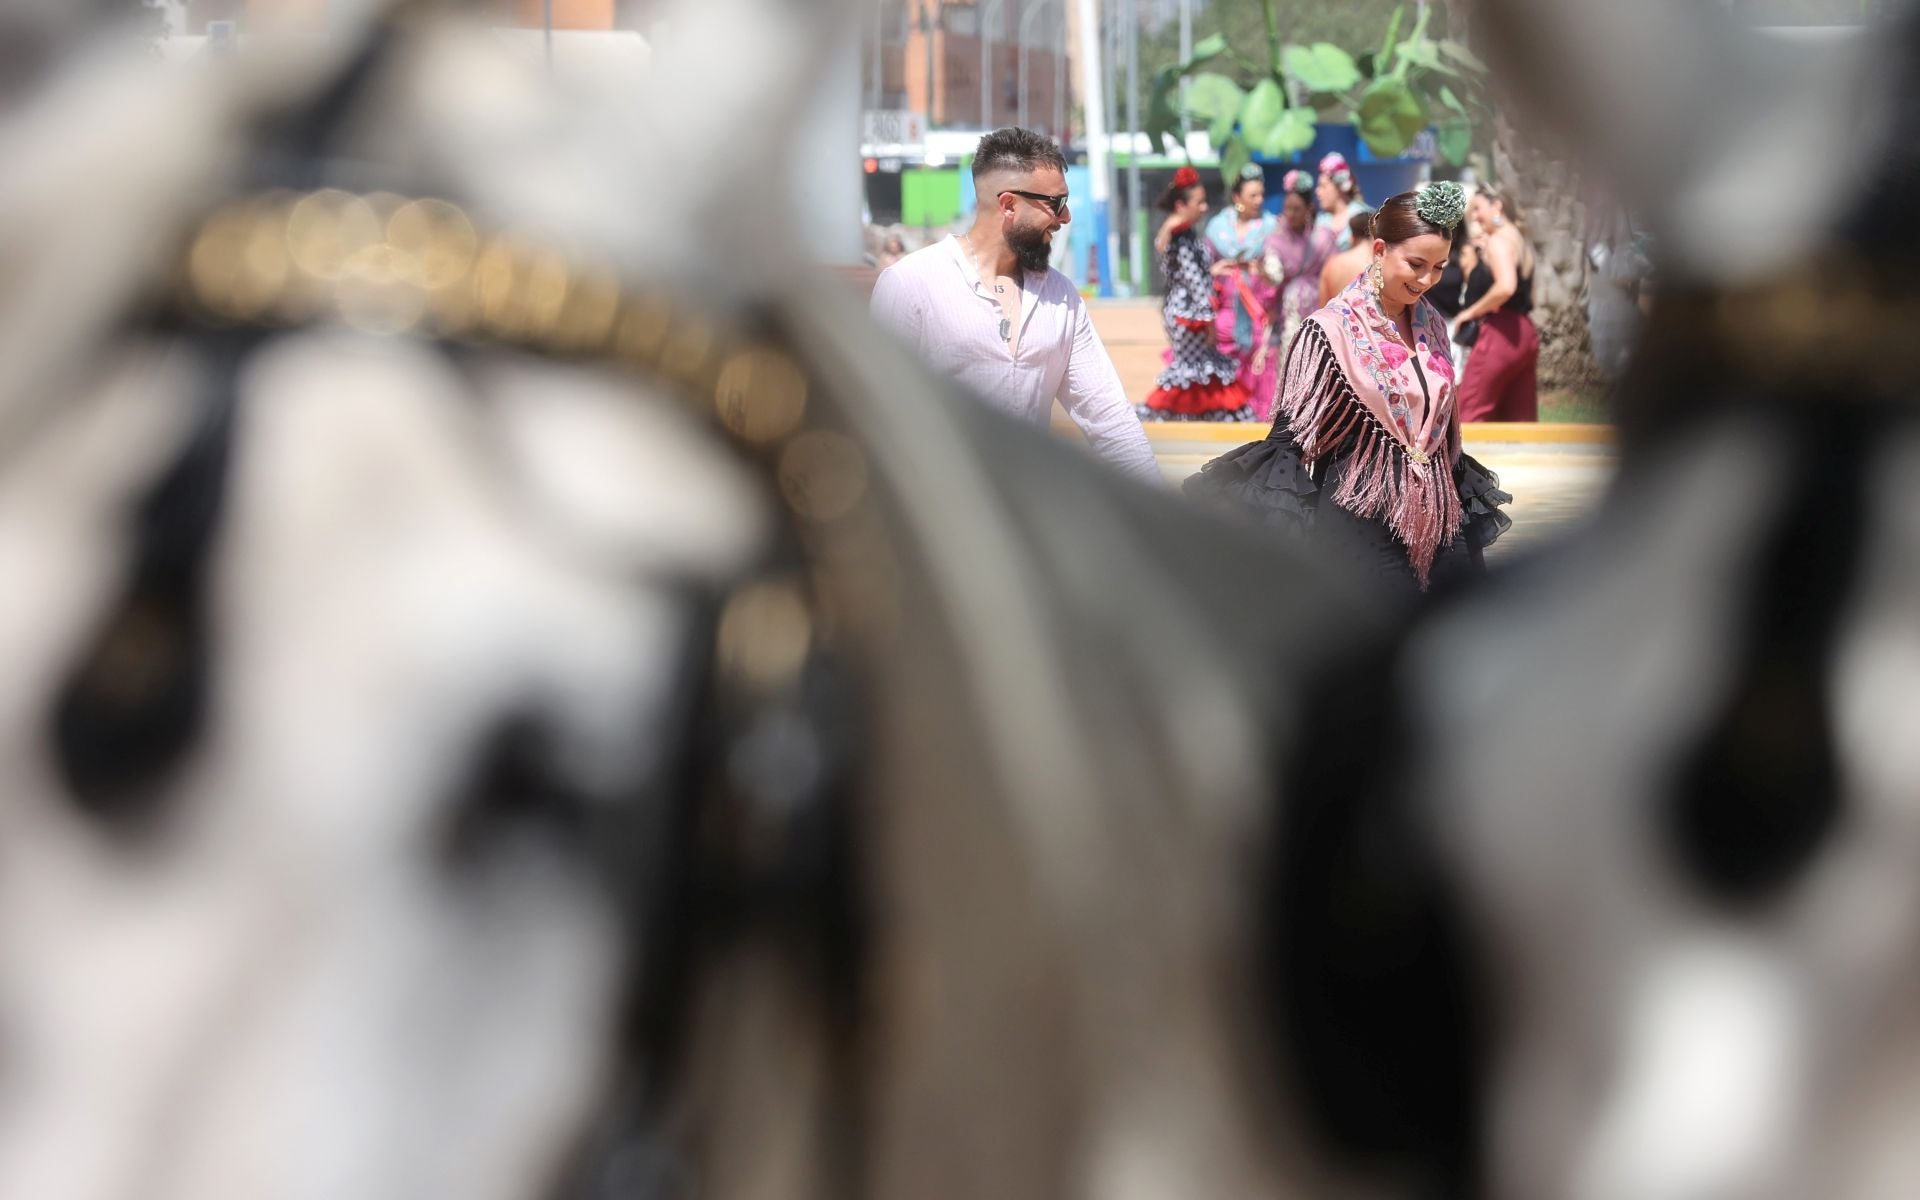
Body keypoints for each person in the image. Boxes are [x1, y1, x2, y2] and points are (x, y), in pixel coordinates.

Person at [1184, 184, 1512, 600]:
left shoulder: (1434, 327)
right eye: (1416, 264)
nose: (1427, 280)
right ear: (1379, 250)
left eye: (1440, 267)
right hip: (1361, 528)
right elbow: (1288, 444)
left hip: (1440, 518)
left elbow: (1443, 430)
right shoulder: (1328, 331)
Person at [870, 127, 1162, 484]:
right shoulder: (911, 283)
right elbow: (875, 414)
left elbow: (1109, 418)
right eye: (1056, 203)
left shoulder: (1062, 297)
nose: (1065, 217)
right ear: (1009, 204)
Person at [1137, 166, 1253, 422]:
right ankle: (1168, 413)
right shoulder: (1179, 236)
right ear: (1181, 205)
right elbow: (1193, 282)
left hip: (1187, 310)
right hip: (1189, 314)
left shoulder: (1183, 234)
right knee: (1194, 369)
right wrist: (1208, 319)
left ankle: (1196, 415)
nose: (1204, 207)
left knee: (1201, 369)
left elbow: (1190, 275)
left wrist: (1213, 271)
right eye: (1199, 203)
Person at [1451, 188, 1540, 422]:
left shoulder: (1498, 242)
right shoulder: (1520, 241)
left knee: (1469, 418)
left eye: (1478, 209)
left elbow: (1506, 286)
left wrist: (1469, 313)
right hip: (1525, 335)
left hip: (1499, 334)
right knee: (1519, 424)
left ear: (1497, 206)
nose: (1474, 217)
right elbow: (1532, 297)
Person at [1204, 163, 1280, 419]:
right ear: (1237, 197)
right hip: (1224, 313)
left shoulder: (1271, 227)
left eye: (1261, 194)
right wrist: (1215, 270)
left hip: (1257, 312)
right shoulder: (1217, 228)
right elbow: (1203, 266)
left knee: (1259, 367)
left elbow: (1277, 272)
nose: (1259, 200)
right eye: (1252, 195)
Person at [1259, 169, 1336, 417]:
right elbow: (1275, 275)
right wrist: (1265, 271)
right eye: (1287, 208)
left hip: (1322, 305)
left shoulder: (1324, 237)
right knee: (1291, 356)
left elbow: (1333, 269)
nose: (1290, 214)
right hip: (1291, 310)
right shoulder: (1275, 240)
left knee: (1320, 360)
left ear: (1309, 209)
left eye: (1296, 208)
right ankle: (1291, 414)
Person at [1313, 152, 1373, 251]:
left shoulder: (1364, 216)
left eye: (1323, 186)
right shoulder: (1319, 222)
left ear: (1339, 187)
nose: (1317, 192)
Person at [1318, 209, 1376, 307]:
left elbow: (1323, 307)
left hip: (1336, 320)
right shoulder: (1379, 264)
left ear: (1352, 237)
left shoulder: (1332, 264)